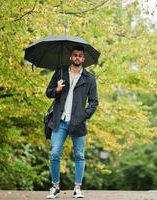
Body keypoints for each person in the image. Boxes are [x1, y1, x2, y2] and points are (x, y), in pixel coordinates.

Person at [45, 46, 99, 199]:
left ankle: (77, 188)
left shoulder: (89, 78)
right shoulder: (60, 73)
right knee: (55, 153)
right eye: (75, 55)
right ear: (70, 57)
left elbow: (94, 102)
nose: (77, 58)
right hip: (59, 121)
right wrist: (57, 89)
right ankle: (55, 187)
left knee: (79, 155)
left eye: (80, 56)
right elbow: (48, 93)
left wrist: (83, 115)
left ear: (83, 59)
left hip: (78, 122)